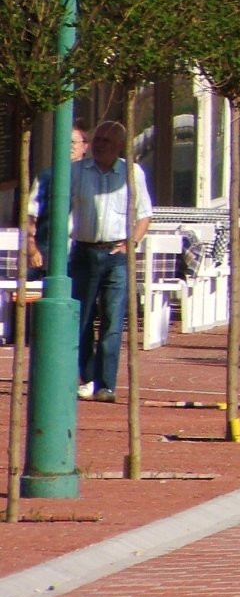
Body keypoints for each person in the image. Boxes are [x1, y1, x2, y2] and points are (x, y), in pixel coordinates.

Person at [67, 121, 152, 403]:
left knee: (113, 321)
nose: (100, 145)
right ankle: (88, 378)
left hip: (117, 256)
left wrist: (131, 244)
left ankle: (106, 384)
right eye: (98, 139)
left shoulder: (132, 173)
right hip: (84, 252)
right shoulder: (77, 171)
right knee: (82, 318)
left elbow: (144, 214)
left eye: (107, 140)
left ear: (119, 146)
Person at [26, 118, 89, 280]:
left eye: (73, 142)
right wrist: (32, 248)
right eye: (65, 142)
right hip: (47, 256)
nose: (69, 146)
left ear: (85, 146)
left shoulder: (91, 177)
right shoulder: (46, 177)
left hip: (83, 256)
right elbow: (30, 216)